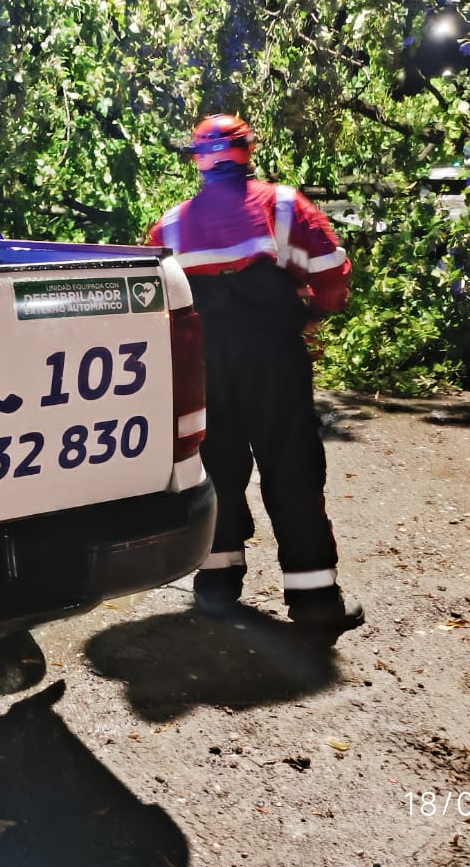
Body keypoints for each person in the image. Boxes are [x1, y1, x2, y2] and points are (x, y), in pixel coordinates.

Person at [146, 114, 363, 631]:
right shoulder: (285, 206)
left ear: (196, 159)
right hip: (273, 358)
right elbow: (333, 278)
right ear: (248, 151)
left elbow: (155, 305)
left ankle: (217, 585)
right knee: (291, 465)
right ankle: (314, 601)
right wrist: (310, 318)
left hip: (202, 366)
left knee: (214, 468)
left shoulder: (169, 225)